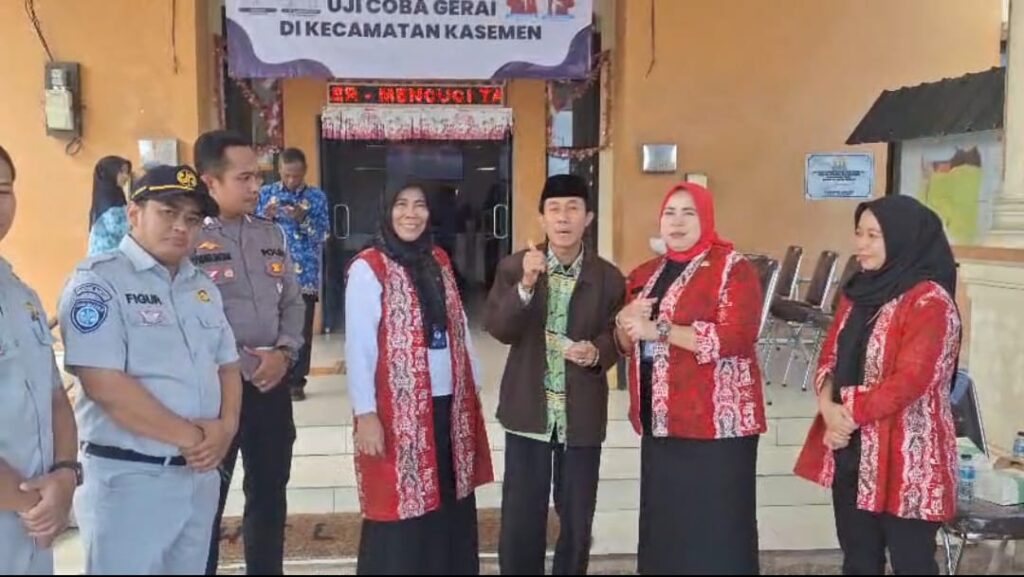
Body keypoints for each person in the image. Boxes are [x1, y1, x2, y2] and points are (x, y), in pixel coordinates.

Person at [58, 165, 242, 575]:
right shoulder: (98, 283)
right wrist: (194, 437)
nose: (181, 227)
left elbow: (228, 365)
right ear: (133, 213)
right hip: (131, 480)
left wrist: (227, 429)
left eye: (192, 219)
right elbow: (104, 385)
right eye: (168, 212)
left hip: (198, 476)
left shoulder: (202, 286)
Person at [795, 195, 962, 576]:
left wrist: (846, 416)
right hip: (853, 451)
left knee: (912, 562)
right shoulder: (858, 293)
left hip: (908, 457)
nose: (861, 244)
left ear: (903, 238)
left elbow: (911, 380)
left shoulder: (930, 302)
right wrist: (828, 408)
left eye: (874, 235)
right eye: (859, 233)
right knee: (858, 560)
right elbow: (830, 356)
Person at [616, 182, 766, 575]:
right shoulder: (646, 274)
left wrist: (660, 330)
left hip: (717, 425)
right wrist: (623, 321)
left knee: (717, 527)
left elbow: (737, 337)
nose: (677, 222)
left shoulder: (733, 269)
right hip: (661, 420)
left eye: (689, 213)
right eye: (670, 213)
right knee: (667, 526)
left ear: (707, 218)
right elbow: (627, 341)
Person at [345, 182, 492, 575]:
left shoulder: (438, 259)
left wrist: (472, 383)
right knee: (402, 500)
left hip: (448, 404)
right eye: (401, 204)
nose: (411, 214)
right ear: (386, 210)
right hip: (398, 412)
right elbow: (359, 347)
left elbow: (459, 323)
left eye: (420, 205)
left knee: (449, 494)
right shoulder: (368, 267)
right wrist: (365, 413)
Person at [486, 174, 625, 575]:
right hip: (528, 412)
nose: (563, 218)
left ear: (588, 218)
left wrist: (597, 351)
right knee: (521, 518)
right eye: (554, 209)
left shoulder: (608, 277)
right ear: (542, 218)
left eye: (573, 208)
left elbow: (616, 335)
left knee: (577, 519)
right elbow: (500, 329)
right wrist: (527, 284)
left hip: (580, 416)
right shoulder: (514, 267)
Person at [196, 131, 305, 576]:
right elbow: (190, 319)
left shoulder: (270, 232)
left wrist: (284, 353)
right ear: (210, 182)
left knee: (269, 493)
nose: (256, 186)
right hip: (215, 393)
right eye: (244, 178)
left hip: (270, 387)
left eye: (257, 177)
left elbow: (293, 301)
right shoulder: (188, 239)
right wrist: (243, 363)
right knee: (207, 499)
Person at [0, 144, 80, 576]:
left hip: (33, 521)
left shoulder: (20, 294)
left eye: (3, 190)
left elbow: (54, 397)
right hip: (28, 507)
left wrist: (65, 476)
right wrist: (37, 502)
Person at [256, 148, 329, 402]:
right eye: (287, 175)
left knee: (300, 330)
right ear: (279, 171)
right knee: (271, 328)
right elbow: (251, 231)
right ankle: (275, 377)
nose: (291, 180)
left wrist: (303, 218)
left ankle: (297, 382)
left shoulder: (316, 197)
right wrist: (266, 217)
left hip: (304, 274)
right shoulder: (265, 194)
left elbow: (322, 235)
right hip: (270, 272)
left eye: (296, 176)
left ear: (305, 171)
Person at [87, 156, 132, 256]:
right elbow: (118, 228)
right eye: (121, 172)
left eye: (127, 172)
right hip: (105, 258)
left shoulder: (115, 196)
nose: (126, 176)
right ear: (111, 173)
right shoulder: (107, 201)